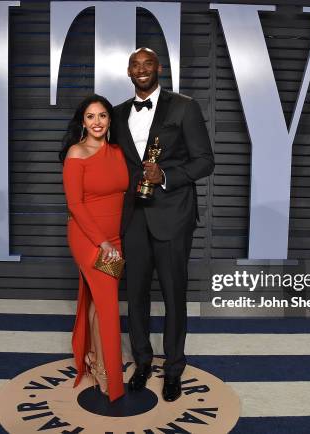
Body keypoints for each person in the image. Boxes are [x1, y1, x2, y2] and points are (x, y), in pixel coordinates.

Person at [111, 48, 215, 402]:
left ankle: (173, 369)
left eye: (148, 64)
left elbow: (205, 161)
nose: (141, 70)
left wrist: (167, 175)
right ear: (128, 71)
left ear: (159, 68)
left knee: (173, 295)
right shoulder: (118, 113)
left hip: (172, 215)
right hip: (133, 218)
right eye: (135, 65)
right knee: (135, 295)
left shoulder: (184, 106)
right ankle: (141, 361)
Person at [60, 94, 128, 402]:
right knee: (108, 305)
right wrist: (102, 243)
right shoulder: (77, 152)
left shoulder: (117, 152)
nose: (97, 122)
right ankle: (107, 374)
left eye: (102, 115)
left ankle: (90, 356)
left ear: (110, 120)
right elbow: (75, 204)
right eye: (90, 116)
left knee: (98, 302)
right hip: (90, 239)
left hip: (116, 239)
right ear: (82, 121)